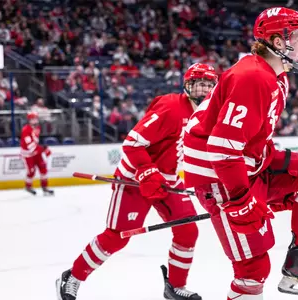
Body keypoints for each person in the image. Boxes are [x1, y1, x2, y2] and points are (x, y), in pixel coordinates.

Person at [182, 7, 298, 299]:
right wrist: (241, 200)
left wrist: (269, 179)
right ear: (279, 42)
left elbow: (250, 138)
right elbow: (221, 147)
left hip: (245, 164)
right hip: (220, 178)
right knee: (253, 270)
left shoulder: (277, 77)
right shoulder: (253, 77)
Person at [56, 63, 218, 300]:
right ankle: (73, 277)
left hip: (169, 181)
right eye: (200, 84)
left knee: (187, 231)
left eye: (209, 85)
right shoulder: (170, 108)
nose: (205, 91)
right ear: (188, 86)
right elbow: (132, 143)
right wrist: (147, 173)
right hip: (134, 177)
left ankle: (174, 285)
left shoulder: (207, 116)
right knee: (116, 237)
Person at [20, 111, 53, 196]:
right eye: (33, 119)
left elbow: (36, 141)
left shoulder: (38, 127)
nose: (35, 120)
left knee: (43, 168)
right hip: (28, 154)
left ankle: (45, 187)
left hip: (37, 152)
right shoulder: (26, 130)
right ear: (29, 120)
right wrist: (43, 149)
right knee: (31, 171)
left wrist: (42, 149)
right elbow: (30, 146)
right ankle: (28, 186)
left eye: (36, 118)